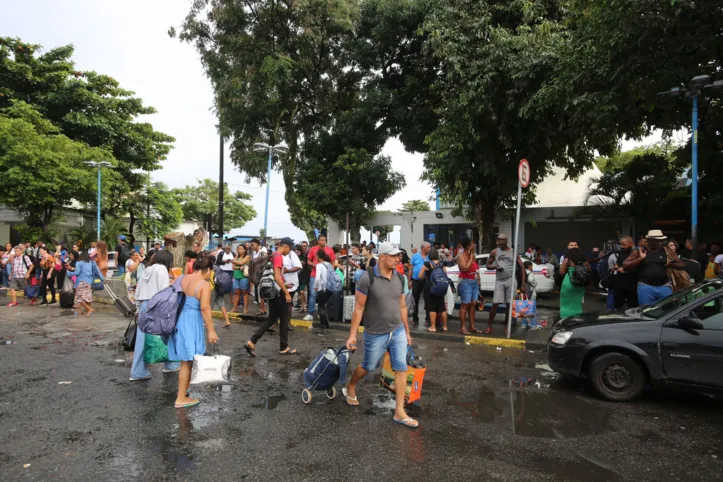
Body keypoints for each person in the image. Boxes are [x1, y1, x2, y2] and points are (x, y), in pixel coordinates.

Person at [342, 242, 417, 429]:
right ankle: (351, 385)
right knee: (368, 366)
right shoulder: (367, 278)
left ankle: (399, 411)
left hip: (397, 330)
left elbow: (402, 307)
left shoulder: (400, 278)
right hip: (375, 333)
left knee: (401, 368)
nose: (397, 259)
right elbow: (358, 308)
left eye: (398, 255)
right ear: (382, 257)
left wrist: (407, 332)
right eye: (393, 256)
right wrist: (352, 335)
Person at [168, 255, 219, 409]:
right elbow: (205, 308)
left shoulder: (181, 278)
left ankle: (185, 389)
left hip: (179, 319)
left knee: (186, 358)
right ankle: (181, 398)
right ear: (208, 270)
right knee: (186, 362)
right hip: (191, 322)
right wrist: (211, 331)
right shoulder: (204, 285)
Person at [130, 250, 182, 381]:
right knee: (167, 334)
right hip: (157, 305)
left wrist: (138, 308)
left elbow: (138, 290)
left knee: (142, 340)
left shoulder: (148, 269)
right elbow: (164, 291)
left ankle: (138, 371)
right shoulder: (162, 269)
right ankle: (171, 364)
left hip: (144, 305)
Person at [244, 238, 297, 357]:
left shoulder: (272, 255)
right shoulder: (278, 257)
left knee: (272, 318)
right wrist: (286, 292)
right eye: (291, 248)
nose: (290, 251)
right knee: (283, 319)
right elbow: (277, 277)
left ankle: (252, 341)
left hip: (272, 291)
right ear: (286, 246)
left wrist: (284, 285)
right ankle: (284, 347)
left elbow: (272, 276)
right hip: (278, 293)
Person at [624, 230, 684, 305]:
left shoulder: (666, 250)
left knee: (667, 311)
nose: (660, 243)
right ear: (649, 240)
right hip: (645, 287)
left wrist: (669, 264)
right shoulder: (640, 251)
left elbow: (681, 264)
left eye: (661, 240)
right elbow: (625, 266)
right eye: (656, 241)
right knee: (646, 312)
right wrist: (640, 258)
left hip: (664, 287)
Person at [485, 234, 526, 335]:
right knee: (495, 303)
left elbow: (522, 267)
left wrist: (523, 284)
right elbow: (488, 266)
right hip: (499, 280)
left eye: (500, 240)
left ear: (506, 241)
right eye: (497, 240)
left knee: (509, 304)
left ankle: (507, 327)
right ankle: (489, 326)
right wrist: (495, 267)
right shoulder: (494, 252)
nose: (498, 242)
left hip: (511, 280)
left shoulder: (513, 252)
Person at [303, 234, 335, 322]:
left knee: (324, 294)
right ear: (318, 241)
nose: (323, 241)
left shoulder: (330, 249)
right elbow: (308, 261)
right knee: (313, 294)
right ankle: (310, 313)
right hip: (314, 274)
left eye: (324, 240)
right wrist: (312, 264)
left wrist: (331, 271)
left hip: (326, 276)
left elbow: (333, 261)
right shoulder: (313, 249)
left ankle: (321, 312)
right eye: (321, 240)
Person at [418, 249, 448, 332]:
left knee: (432, 308)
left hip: (430, 289)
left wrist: (426, 277)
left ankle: (433, 327)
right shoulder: (442, 265)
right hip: (441, 288)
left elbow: (420, 276)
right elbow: (445, 275)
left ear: (429, 256)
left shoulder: (427, 264)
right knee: (442, 309)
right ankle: (445, 326)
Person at [608, 236, 639, 309]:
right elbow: (619, 262)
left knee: (632, 305)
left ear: (631, 243)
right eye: (620, 244)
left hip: (632, 283)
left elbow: (638, 267)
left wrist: (625, 270)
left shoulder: (636, 252)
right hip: (620, 282)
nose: (622, 246)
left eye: (624, 244)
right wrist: (616, 266)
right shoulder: (622, 252)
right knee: (618, 304)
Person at [559, 247, 589, 318]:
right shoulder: (583, 260)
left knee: (566, 302)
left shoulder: (567, 259)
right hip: (581, 282)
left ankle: (565, 317)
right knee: (577, 302)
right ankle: (577, 316)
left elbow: (561, 272)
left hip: (569, 281)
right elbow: (589, 268)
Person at [69, 251, 101, 316]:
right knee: (87, 298)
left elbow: (77, 272)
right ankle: (87, 312)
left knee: (79, 298)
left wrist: (69, 273)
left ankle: (89, 309)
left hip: (81, 282)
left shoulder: (78, 263)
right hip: (89, 282)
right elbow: (98, 271)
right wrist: (102, 279)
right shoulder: (91, 262)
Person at [409, 241, 431, 326]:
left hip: (426, 281)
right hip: (416, 281)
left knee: (427, 299)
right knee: (416, 300)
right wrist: (409, 280)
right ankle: (415, 318)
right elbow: (411, 269)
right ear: (423, 248)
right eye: (428, 247)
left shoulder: (430, 257)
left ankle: (427, 319)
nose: (430, 249)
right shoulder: (415, 256)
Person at [313, 249, 334, 335]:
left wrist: (315, 286)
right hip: (330, 288)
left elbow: (317, 278)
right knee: (324, 306)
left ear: (318, 256)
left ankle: (323, 327)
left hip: (323, 288)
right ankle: (327, 324)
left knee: (321, 307)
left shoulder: (319, 265)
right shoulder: (329, 264)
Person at [249, 238, 268, 315]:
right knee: (259, 292)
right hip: (256, 275)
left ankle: (262, 309)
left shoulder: (263, 250)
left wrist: (252, 261)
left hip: (262, 275)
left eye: (253, 244)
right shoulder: (254, 252)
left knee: (261, 292)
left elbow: (264, 258)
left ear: (258, 244)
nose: (251, 246)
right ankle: (262, 308)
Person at [282, 243, 302, 317]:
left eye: (280, 245)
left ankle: (287, 321)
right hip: (279, 283)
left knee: (288, 303)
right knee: (280, 304)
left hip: (290, 283)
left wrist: (288, 270)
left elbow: (298, 266)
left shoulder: (292, 254)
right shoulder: (277, 255)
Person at [231, 244, 251, 314]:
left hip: (244, 276)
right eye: (238, 249)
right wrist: (239, 267)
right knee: (236, 292)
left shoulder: (247, 256)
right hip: (236, 276)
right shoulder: (237, 256)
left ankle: (245, 308)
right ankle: (234, 308)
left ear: (245, 250)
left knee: (244, 292)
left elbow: (241, 262)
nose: (239, 250)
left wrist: (234, 261)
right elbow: (233, 267)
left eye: (241, 249)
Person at [296, 245, 310, 312]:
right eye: (295, 252)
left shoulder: (305, 257)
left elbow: (307, 267)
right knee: (299, 293)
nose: (296, 253)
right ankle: (302, 305)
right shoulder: (294, 258)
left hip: (304, 277)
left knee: (302, 292)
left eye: (298, 252)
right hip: (297, 278)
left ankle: (304, 305)